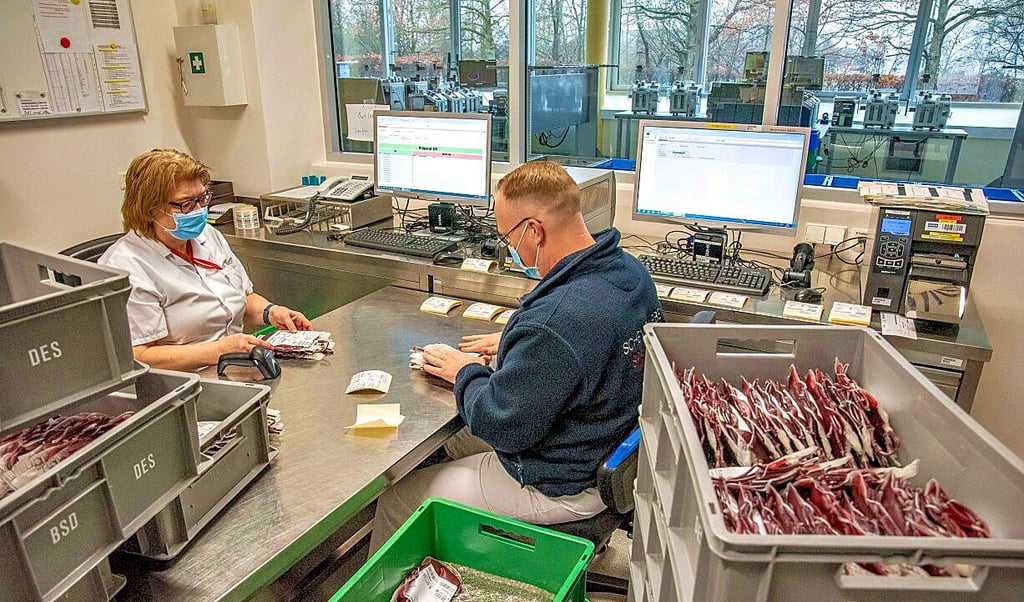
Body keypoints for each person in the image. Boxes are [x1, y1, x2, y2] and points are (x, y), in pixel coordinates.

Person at [369, 161, 662, 550]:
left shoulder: (556, 325)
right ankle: (455, 548)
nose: (509, 246)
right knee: (448, 446)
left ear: (534, 231)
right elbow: (591, 341)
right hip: (606, 453)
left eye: (508, 236)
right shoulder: (628, 272)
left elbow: (500, 424)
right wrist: (519, 344)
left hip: (563, 483)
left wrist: (466, 371)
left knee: (397, 501)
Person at [100, 149, 311, 372]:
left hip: (235, 366)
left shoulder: (206, 236)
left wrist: (271, 312)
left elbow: (240, 297)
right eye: (186, 204)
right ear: (149, 208)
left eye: (202, 198)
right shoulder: (126, 268)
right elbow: (139, 356)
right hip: (184, 384)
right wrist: (218, 350)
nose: (199, 210)